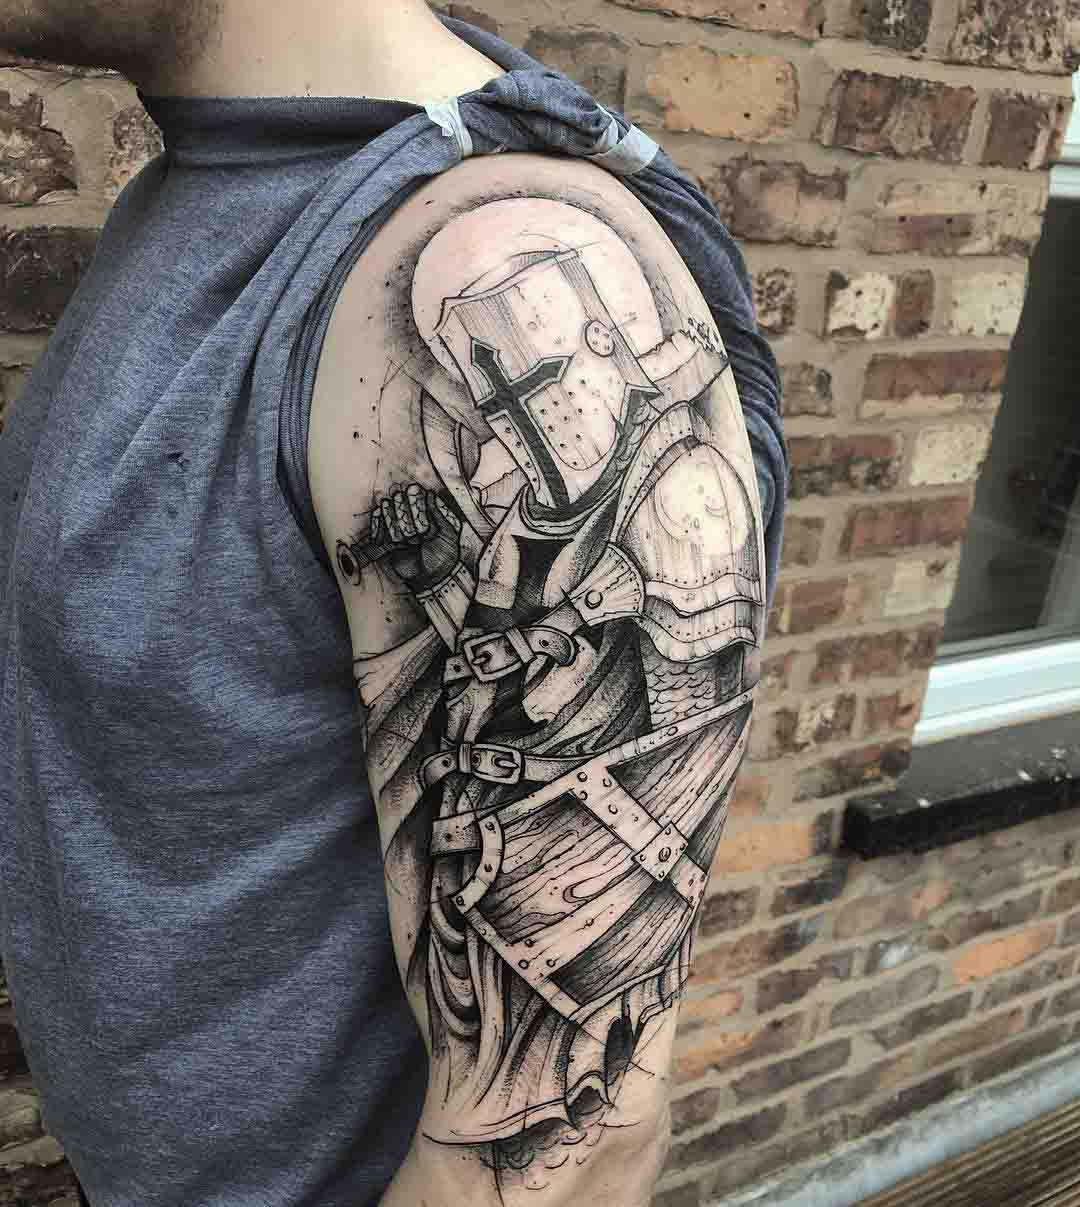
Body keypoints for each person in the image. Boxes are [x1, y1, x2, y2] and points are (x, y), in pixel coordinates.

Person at [0, 2, 787, 1205]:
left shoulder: (488, 237)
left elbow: (565, 1156)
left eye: (541, 375)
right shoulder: (208, 187)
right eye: (504, 385)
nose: (527, 407)